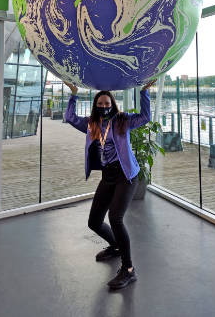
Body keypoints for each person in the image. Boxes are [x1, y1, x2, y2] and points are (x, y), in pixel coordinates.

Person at [63, 79, 155, 290]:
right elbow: (69, 117)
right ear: (96, 105)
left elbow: (145, 117)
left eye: (107, 103)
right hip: (108, 175)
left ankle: (129, 270)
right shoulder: (92, 124)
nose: (104, 107)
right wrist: (74, 94)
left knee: (115, 218)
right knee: (94, 222)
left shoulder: (123, 121)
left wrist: (144, 93)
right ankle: (115, 246)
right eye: (100, 104)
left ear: (113, 104)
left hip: (126, 175)